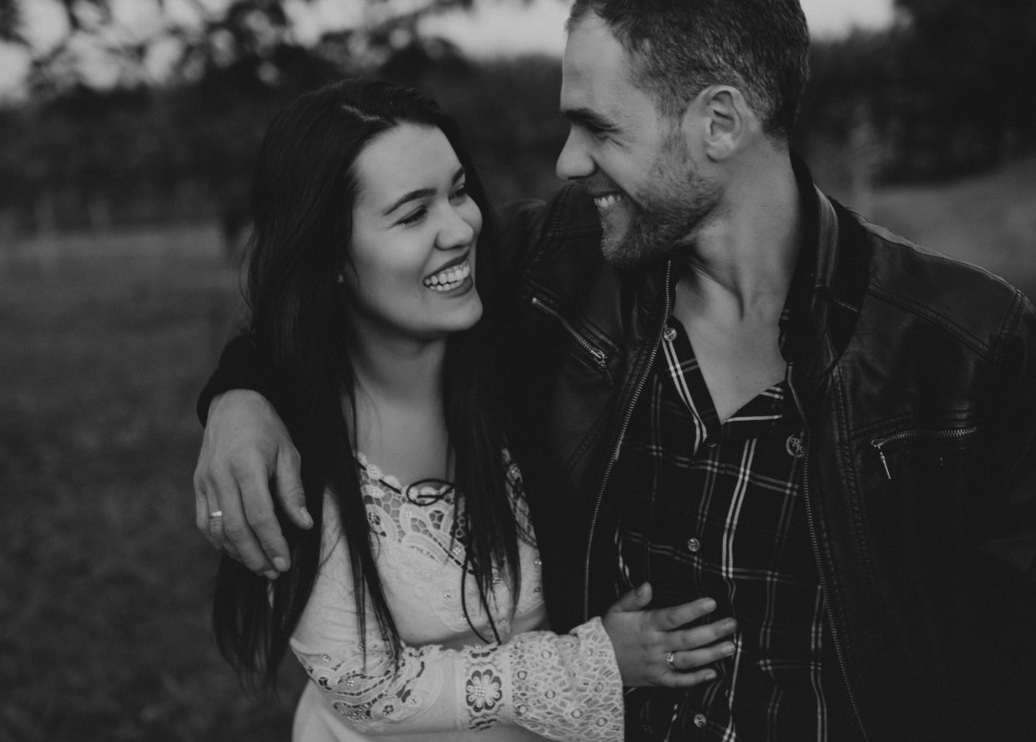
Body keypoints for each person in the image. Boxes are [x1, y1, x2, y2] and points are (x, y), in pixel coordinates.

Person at [196, 0, 1036, 741]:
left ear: (719, 123)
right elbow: (343, 287)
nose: (567, 162)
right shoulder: (556, 264)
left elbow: (1035, 651)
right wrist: (241, 397)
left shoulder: (962, 346)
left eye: (598, 127)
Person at [205, 78, 739, 741]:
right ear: (328, 256)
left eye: (458, 191)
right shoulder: (295, 443)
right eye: (411, 215)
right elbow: (368, 689)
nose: (460, 229)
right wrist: (597, 662)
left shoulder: (534, 348)